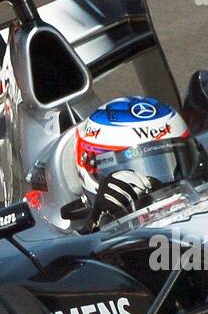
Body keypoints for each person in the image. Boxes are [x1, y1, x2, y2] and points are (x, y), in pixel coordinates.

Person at [72, 95, 190, 225]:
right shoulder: (84, 241)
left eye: (162, 163)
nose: (158, 187)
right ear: (90, 168)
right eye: (131, 174)